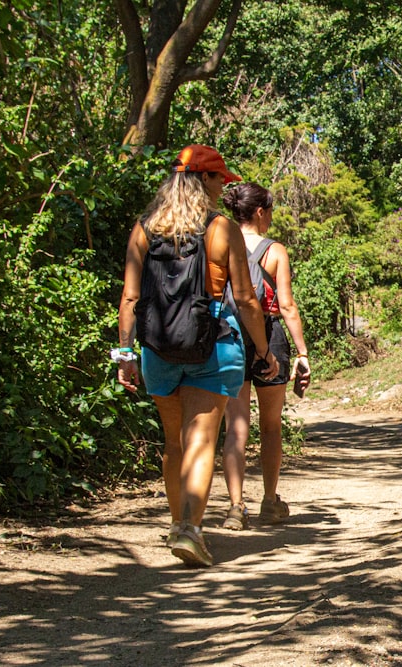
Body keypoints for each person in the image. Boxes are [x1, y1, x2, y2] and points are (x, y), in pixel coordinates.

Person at [115, 145, 280, 568]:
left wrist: (125, 355)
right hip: (214, 342)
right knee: (202, 440)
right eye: (219, 177)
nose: (223, 184)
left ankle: (179, 523)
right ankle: (190, 527)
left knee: (174, 443)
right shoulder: (220, 229)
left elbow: (131, 298)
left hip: (158, 348)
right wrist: (263, 352)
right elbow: (244, 299)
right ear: (202, 180)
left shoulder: (143, 229)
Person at [220, 182, 310, 530]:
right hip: (269, 337)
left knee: (235, 427)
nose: (271, 218)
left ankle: (234, 506)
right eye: (269, 211)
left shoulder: (219, 243)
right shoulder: (274, 251)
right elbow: (286, 305)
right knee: (270, 427)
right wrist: (302, 351)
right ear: (260, 212)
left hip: (228, 335)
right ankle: (269, 501)